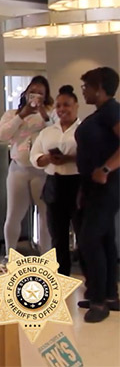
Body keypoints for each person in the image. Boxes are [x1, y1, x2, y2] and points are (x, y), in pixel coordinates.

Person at [74, 67, 120, 323]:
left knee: (90, 239)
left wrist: (105, 169)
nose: (84, 91)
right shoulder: (101, 114)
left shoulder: (112, 109)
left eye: (86, 86)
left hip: (107, 186)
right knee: (104, 240)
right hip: (93, 187)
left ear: (100, 88)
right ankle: (110, 295)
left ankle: (99, 300)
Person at [0, 75, 54, 260]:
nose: (35, 96)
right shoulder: (13, 114)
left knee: (45, 215)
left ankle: (46, 256)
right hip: (18, 169)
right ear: (26, 93)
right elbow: (2, 134)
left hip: (42, 171)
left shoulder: (50, 114)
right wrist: (22, 115)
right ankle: (10, 254)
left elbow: (55, 131)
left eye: (40, 93)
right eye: (32, 92)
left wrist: (43, 113)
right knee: (14, 213)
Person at [30, 85, 80, 275]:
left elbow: (91, 157)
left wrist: (70, 159)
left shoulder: (82, 129)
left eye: (66, 105)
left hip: (77, 185)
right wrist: (47, 159)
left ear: (76, 106)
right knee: (58, 237)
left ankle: (91, 285)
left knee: (83, 236)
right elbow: (35, 156)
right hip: (54, 185)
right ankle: (61, 278)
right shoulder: (48, 132)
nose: (62, 110)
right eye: (58, 106)